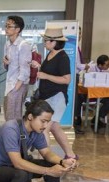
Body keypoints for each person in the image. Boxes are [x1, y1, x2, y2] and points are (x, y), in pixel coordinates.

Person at [31, 27, 79, 161]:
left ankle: (48, 160)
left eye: (46, 40)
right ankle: (71, 154)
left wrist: (45, 75)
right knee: (55, 127)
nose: (44, 42)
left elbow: (66, 79)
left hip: (57, 97)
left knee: (44, 128)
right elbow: (51, 72)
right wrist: (39, 66)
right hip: (47, 96)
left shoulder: (63, 57)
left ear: (54, 42)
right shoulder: (50, 54)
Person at [3, 15, 31, 121]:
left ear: (17, 29)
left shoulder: (23, 45)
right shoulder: (7, 44)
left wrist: (15, 89)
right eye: (6, 26)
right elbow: (7, 67)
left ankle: (17, 137)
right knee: (8, 115)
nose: (6, 28)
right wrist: (5, 63)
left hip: (19, 85)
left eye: (9, 26)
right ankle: (12, 137)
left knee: (14, 117)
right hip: (9, 83)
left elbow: (25, 71)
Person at [88, 54, 109, 128]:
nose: (108, 66)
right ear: (100, 65)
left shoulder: (107, 70)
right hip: (92, 94)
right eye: (106, 65)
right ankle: (97, 120)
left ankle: (97, 118)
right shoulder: (91, 68)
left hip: (103, 94)